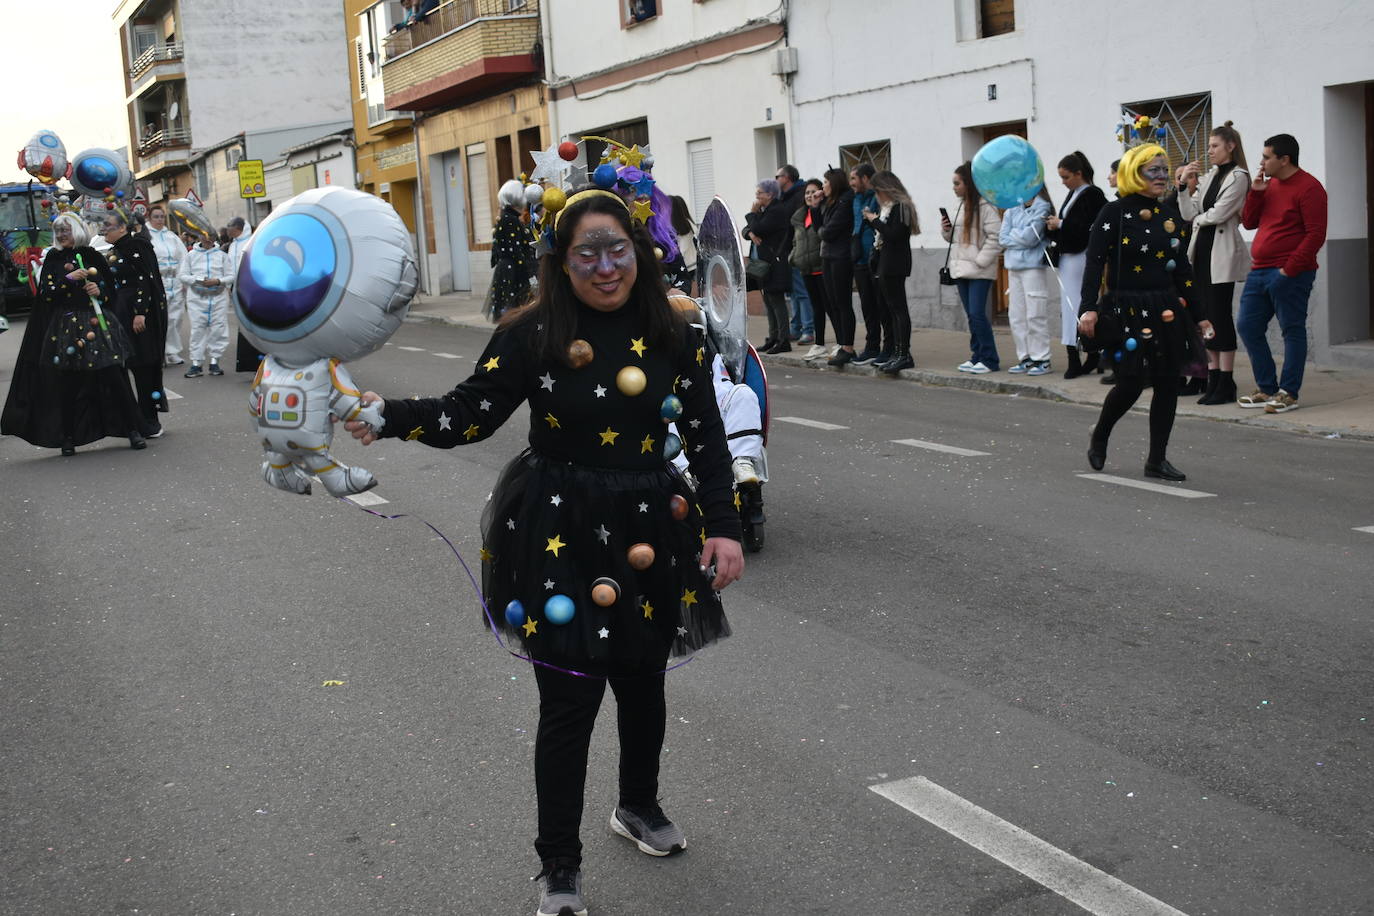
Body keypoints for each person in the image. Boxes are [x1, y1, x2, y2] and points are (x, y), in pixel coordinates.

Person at [343, 189, 743, 916]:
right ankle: (558, 864)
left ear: (639, 252)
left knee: (644, 679)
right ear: (561, 262)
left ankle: (638, 806)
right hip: (560, 522)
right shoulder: (532, 333)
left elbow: (709, 436)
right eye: (586, 253)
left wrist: (723, 526)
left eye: (616, 249)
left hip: (650, 522)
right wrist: (390, 416)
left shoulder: (676, 328)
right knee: (570, 700)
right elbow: (470, 412)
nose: (605, 266)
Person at [1079, 144, 1213, 481]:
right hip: (1126, 309)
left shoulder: (1169, 216)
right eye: (1153, 170)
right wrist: (1088, 310)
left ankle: (1157, 459)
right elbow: (1094, 264)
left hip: (1165, 309)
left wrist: (1201, 315)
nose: (1161, 177)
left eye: (1164, 170)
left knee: (1168, 383)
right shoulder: (1113, 213)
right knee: (1130, 384)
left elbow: (1182, 271)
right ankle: (1101, 433)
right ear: (1134, 173)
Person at [0, 212, 147, 455]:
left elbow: (111, 291)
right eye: (58, 232)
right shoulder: (54, 258)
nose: (61, 236)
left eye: (65, 231)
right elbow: (45, 293)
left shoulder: (91, 255)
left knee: (114, 376)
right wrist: (68, 279)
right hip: (66, 327)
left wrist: (98, 290)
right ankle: (67, 437)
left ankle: (133, 430)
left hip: (96, 324)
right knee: (67, 382)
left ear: (76, 231)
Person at [1235, 133, 1328, 414]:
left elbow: (1315, 235)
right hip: (1259, 271)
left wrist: (1288, 270)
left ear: (1284, 159)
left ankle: (1288, 392)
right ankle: (1267, 388)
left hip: (1291, 273)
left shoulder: (1310, 188)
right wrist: (1256, 192)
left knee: (1292, 330)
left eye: (1266, 156)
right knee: (1248, 326)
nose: (1261, 162)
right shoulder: (1269, 184)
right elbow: (1249, 223)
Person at [1176, 122, 1252, 405]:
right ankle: (1212, 375)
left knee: (1220, 316)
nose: (1209, 151)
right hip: (1201, 253)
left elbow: (1220, 213)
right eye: (1208, 146)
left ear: (1230, 146)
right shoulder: (1209, 176)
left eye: (1214, 146)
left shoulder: (1238, 176)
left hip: (1221, 253)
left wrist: (1198, 218)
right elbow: (1189, 211)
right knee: (1204, 317)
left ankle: (1226, 380)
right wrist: (1184, 186)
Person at [101, 209, 169, 436]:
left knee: (144, 366)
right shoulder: (114, 250)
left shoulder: (138, 246)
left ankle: (150, 420)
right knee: (131, 365)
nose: (104, 230)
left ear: (122, 227)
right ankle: (136, 419)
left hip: (139, 316)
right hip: (121, 313)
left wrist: (140, 312)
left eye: (108, 226)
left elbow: (146, 281)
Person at [1046, 152, 1108, 378]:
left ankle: (1082, 354)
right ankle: (1086, 355)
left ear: (1078, 174)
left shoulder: (1092, 194)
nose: (1063, 182)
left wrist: (1060, 223)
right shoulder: (1075, 193)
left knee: (1076, 305)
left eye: (1065, 177)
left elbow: (1090, 225)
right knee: (1071, 305)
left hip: (1081, 256)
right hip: (1070, 255)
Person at [941, 161, 1003, 373]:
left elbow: (997, 236)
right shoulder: (961, 205)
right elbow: (956, 240)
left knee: (977, 314)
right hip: (960, 268)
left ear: (968, 183)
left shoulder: (986, 206)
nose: (954, 187)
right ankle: (977, 354)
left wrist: (981, 260)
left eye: (957, 183)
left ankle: (989, 359)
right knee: (971, 315)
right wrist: (946, 231)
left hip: (978, 270)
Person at [863, 170, 918, 374]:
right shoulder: (891, 208)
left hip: (895, 263)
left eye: (878, 191)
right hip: (886, 261)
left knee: (898, 310)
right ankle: (897, 352)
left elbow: (895, 235)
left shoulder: (901, 207)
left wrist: (874, 220)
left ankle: (904, 354)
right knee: (892, 310)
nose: (877, 196)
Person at [1000, 187, 1055, 375]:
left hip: (1033, 267)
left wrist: (1014, 235)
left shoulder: (1043, 207)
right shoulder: (1011, 209)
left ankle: (1042, 358)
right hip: (1013, 267)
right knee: (1016, 316)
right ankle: (1025, 357)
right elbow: (1002, 238)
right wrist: (1020, 235)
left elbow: (1032, 238)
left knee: (1035, 314)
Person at [743, 178, 792, 353]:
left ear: (770, 194)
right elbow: (746, 230)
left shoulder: (776, 210)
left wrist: (752, 214)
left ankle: (783, 339)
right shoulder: (765, 210)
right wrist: (750, 233)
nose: (756, 197)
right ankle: (773, 337)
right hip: (761, 264)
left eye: (759, 193)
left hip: (773, 263)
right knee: (768, 301)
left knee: (776, 302)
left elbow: (760, 228)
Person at [177, 230, 233, 377]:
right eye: (205, 236)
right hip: (197, 298)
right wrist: (198, 279)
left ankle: (215, 361)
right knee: (197, 329)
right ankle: (196, 364)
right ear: (200, 236)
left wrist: (218, 281)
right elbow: (182, 275)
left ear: (215, 238)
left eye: (211, 237)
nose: (208, 240)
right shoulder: (191, 255)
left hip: (218, 297)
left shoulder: (222, 256)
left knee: (218, 329)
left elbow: (231, 275)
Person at [849, 163, 889, 365]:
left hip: (875, 258)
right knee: (867, 306)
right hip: (859, 259)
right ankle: (871, 346)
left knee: (881, 306)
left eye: (854, 179)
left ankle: (886, 347)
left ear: (865, 179)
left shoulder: (877, 197)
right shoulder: (855, 199)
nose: (852, 183)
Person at [819, 168, 858, 365]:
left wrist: (822, 230)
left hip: (840, 257)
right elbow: (823, 227)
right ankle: (842, 343)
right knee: (832, 302)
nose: (822, 186)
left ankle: (848, 347)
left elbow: (828, 232)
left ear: (833, 183)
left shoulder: (845, 201)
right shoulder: (831, 202)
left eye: (825, 182)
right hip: (828, 256)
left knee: (842, 303)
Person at [789, 179, 830, 360]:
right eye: (807, 193)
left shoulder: (822, 212)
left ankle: (842, 344)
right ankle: (819, 344)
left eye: (813, 192)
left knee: (831, 307)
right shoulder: (800, 215)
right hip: (806, 268)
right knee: (816, 308)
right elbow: (796, 240)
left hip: (822, 267)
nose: (809, 196)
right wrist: (794, 257)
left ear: (821, 193)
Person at [487, 180, 535, 321]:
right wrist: (528, 273)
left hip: (509, 269)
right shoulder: (511, 220)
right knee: (515, 312)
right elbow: (515, 250)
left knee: (513, 313)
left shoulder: (507, 218)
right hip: (513, 271)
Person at [774, 165, 813, 344]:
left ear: (787, 177)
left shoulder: (799, 195)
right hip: (787, 250)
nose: (776, 180)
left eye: (778, 176)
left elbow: (795, 224)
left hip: (798, 249)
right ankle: (796, 328)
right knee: (794, 293)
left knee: (802, 292)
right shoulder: (783, 197)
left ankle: (808, 329)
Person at [146, 204, 188, 366]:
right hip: (158, 281)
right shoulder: (146, 236)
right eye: (156, 216)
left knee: (176, 317)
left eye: (161, 216)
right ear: (149, 218)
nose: (159, 220)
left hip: (174, 281)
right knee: (159, 317)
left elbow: (183, 258)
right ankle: (160, 350)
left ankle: (173, 351)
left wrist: (182, 278)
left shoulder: (171, 236)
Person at [668, 195, 697, 295]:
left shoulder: (682, 226)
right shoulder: (687, 224)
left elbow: (682, 249)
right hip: (691, 264)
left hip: (687, 266)